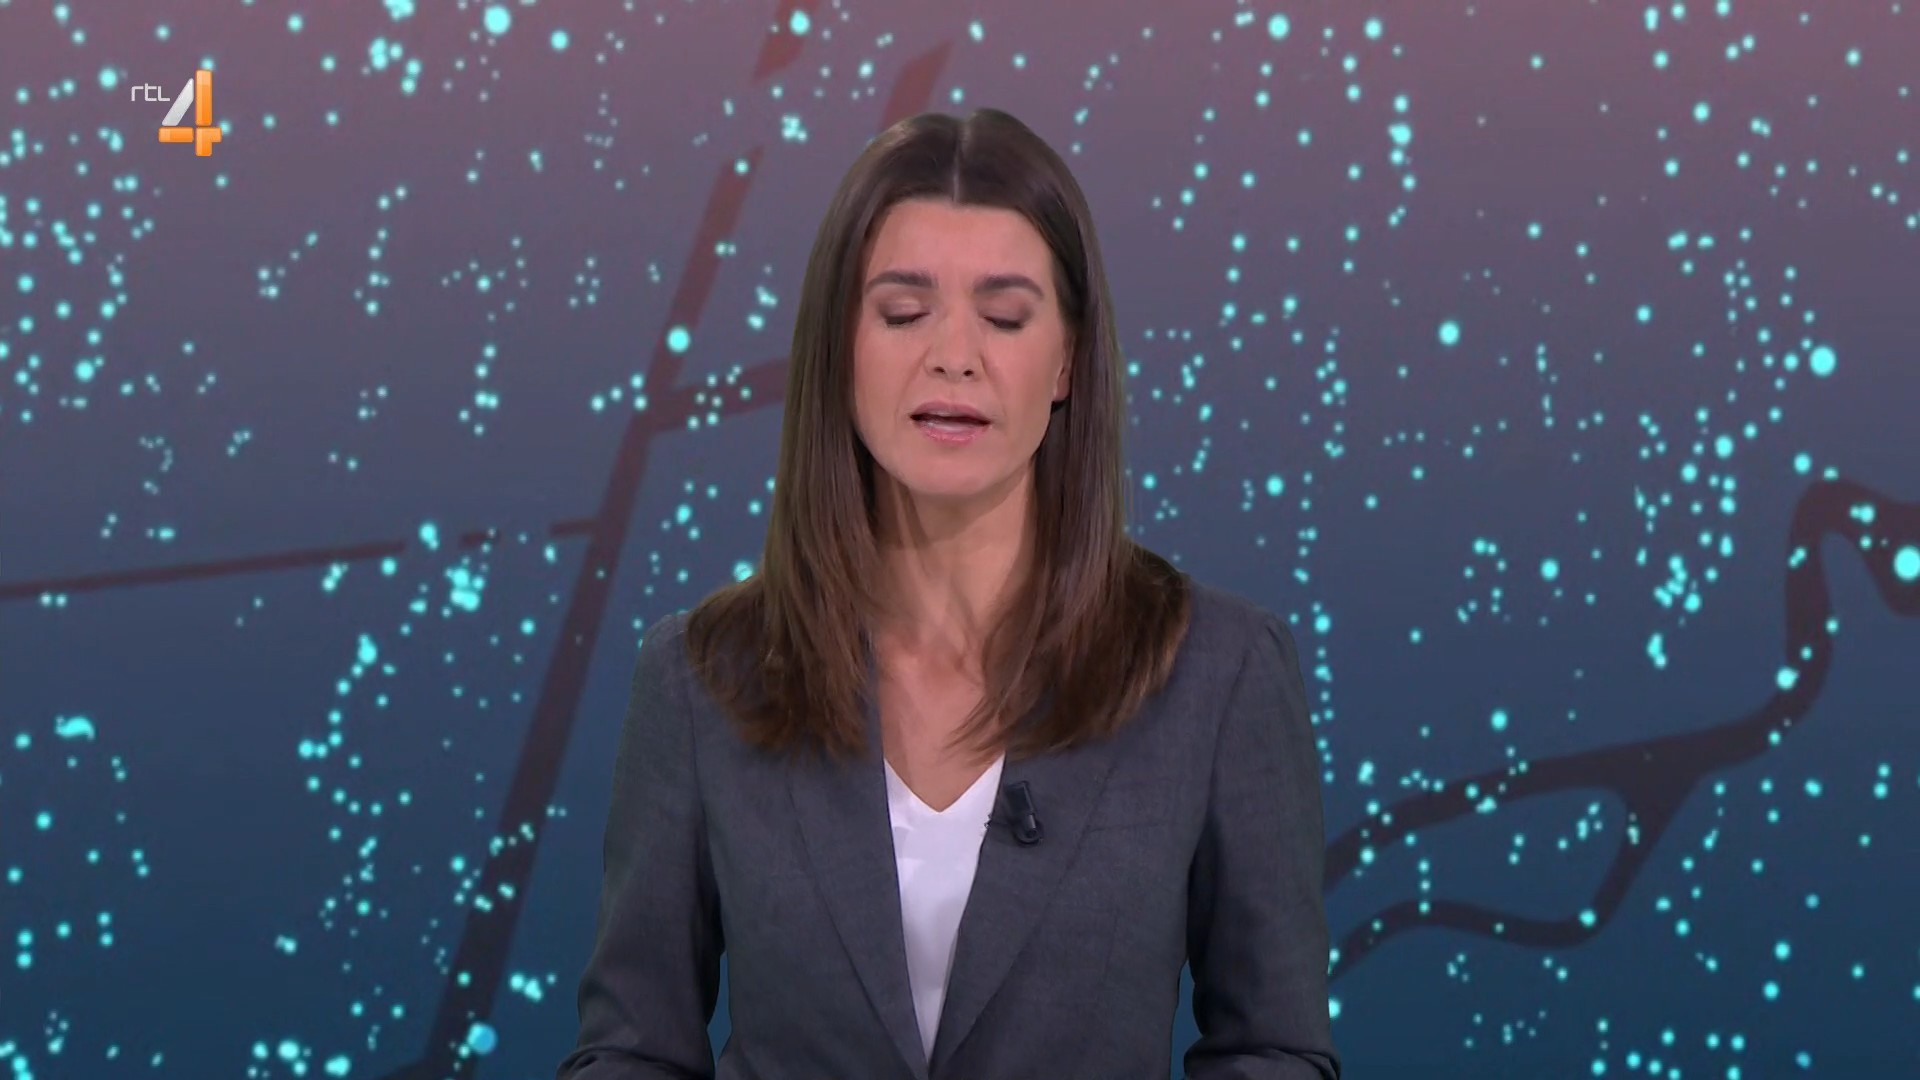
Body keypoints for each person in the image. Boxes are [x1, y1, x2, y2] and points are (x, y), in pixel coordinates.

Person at [556, 107, 1340, 1080]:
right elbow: (631, 1052)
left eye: (1004, 317)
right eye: (903, 313)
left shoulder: (1217, 674)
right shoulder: (700, 679)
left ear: (1067, 359)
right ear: (840, 347)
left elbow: (1276, 1050)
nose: (955, 354)